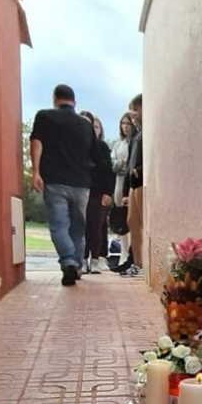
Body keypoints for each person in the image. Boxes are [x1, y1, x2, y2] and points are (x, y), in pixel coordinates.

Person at [30, 84, 95, 286]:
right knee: (78, 228)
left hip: (55, 181)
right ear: (73, 102)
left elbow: (36, 143)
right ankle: (76, 265)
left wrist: (36, 171)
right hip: (81, 183)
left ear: (54, 98)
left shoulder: (44, 117)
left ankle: (68, 260)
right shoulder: (85, 125)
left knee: (59, 225)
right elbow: (93, 154)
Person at [78, 112, 114, 273]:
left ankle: (95, 259)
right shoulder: (74, 147)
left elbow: (108, 171)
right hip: (79, 190)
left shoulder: (101, 147)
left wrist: (108, 192)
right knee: (81, 227)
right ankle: (83, 259)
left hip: (98, 192)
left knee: (96, 226)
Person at [119, 94, 144, 277]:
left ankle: (143, 264)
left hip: (142, 181)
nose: (132, 113)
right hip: (133, 184)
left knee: (143, 222)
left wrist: (140, 170)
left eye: (136, 109)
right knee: (132, 222)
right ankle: (138, 264)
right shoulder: (137, 133)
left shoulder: (147, 132)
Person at [109, 112, 135, 268]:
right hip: (119, 182)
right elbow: (112, 164)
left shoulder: (136, 142)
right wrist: (121, 163)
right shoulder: (118, 144)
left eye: (128, 123)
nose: (125, 126)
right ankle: (123, 254)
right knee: (122, 220)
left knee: (133, 219)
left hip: (131, 182)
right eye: (123, 123)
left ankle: (132, 254)